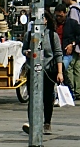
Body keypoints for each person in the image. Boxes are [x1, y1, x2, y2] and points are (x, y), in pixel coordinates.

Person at [22, 7, 65, 136]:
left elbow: (58, 54)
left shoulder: (52, 35)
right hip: (33, 70)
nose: (37, 21)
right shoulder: (29, 35)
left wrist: (59, 72)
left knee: (47, 98)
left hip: (47, 71)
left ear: (46, 20)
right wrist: (27, 53)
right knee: (33, 97)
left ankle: (47, 123)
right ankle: (33, 123)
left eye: (40, 18)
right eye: (34, 19)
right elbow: (23, 49)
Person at [53, 4, 80, 103]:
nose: (59, 18)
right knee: (57, 72)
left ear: (65, 13)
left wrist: (73, 44)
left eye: (61, 16)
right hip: (54, 52)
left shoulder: (72, 23)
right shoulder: (53, 24)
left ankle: (66, 92)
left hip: (66, 53)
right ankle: (68, 91)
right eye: (57, 16)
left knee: (62, 69)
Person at [61, 0, 80, 99]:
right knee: (76, 68)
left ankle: (72, 91)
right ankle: (77, 91)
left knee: (70, 68)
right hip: (78, 44)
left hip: (73, 44)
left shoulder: (73, 10)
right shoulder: (79, 8)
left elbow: (73, 29)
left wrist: (73, 44)